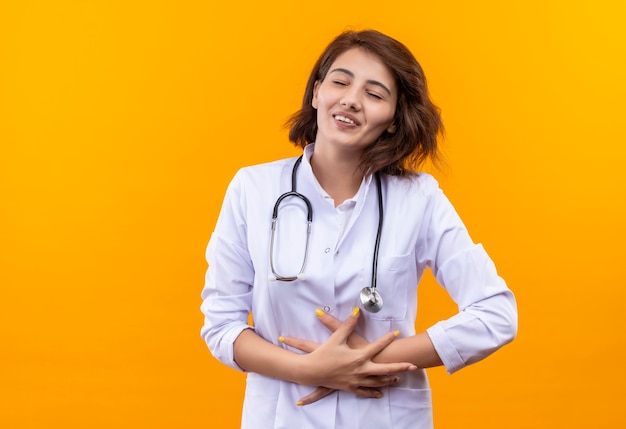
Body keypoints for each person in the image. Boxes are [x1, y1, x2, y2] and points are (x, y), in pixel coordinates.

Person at [200, 29, 517, 429]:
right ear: (316, 93)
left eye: (375, 93)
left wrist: (371, 360)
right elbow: (222, 325)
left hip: (383, 415)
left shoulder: (418, 197)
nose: (351, 99)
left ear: (391, 121)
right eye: (340, 81)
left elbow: (496, 314)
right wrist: (309, 370)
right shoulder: (253, 188)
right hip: (282, 416)